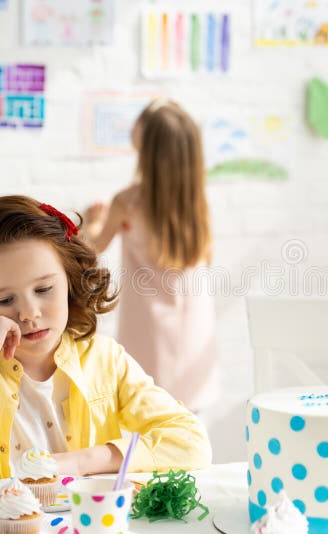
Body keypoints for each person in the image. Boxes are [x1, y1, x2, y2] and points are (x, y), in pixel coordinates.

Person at [0, 195, 212, 485]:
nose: (29, 314)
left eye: (44, 288)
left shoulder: (104, 360)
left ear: (70, 280)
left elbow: (192, 442)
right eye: (3, 300)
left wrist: (85, 461)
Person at [83, 99, 219, 413]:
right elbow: (207, 257)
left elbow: (94, 245)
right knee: (189, 417)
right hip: (194, 326)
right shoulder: (196, 203)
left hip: (147, 326)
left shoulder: (128, 203)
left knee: (145, 410)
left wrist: (94, 222)